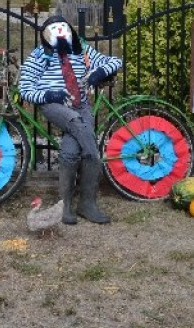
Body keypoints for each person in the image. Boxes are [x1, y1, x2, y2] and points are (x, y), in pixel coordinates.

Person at [18, 16, 122, 224]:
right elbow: (25, 88)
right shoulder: (40, 55)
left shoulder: (81, 50)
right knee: (79, 128)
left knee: (71, 149)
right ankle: (78, 193)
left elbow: (115, 61)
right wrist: (49, 95)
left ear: (70, 31)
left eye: (62, 28)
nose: (59, 32)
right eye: (53, 29)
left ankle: (80, 204)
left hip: (81, 103)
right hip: (55, 104)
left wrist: (97, 73)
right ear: (46, 35)